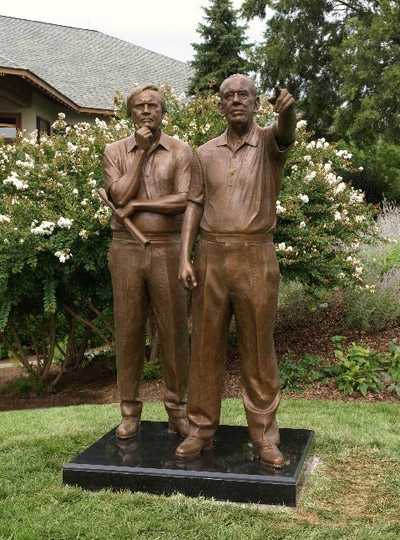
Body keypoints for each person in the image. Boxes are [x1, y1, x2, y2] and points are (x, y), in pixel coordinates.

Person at [175, 74, 296, 468]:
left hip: (255, 256)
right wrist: (184, 256)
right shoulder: (204, 152)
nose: (237, 100)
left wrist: (289, 111)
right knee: (205, 347)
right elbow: (194, 203)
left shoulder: (268, 144)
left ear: (257, 103)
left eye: (244, 94)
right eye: (229, 96)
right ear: (221, 106)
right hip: (210, 255)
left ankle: (264, 435)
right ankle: (201, 429)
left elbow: (286, 132)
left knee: (258, 350)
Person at [103, 84, 192, 439]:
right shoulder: (114, 151)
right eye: (139, 106)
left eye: (153, 106)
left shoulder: (180, 151)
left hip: (167, 248)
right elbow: (119, 194)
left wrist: (140, 206)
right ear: (130, 113)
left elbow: (184, 200)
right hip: (125, 248)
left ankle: (177, 409)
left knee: (173, 332)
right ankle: (129, 411)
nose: (146, 111)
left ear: (163, 112)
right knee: (127, 330)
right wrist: (139, 154)